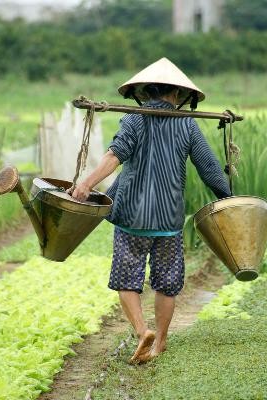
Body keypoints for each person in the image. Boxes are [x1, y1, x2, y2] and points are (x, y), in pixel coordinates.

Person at [70, 58, 231, 364]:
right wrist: (230, 200)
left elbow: (115, 156)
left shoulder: (134, 118)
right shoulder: (187, 124)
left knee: (126, 279)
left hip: (132, 219)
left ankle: (143, 330)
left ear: (146, 91)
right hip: (168, 221)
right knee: (167, 282)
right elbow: (210, 169)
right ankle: (161, 342)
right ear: (178, 95)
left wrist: (86, 183)